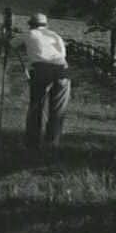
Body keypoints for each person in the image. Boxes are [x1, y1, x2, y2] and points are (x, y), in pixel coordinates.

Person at [20, 11, 70, 151]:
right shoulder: (55, 35)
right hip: (62, 69)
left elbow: (11, 43)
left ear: (31, 25)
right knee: (58, 108)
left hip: (42, 69)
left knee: (36, 105)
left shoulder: (29, 34)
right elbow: (63, 54)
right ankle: (52, 143)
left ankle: (32, 143)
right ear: (46, 25)